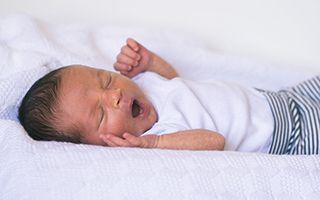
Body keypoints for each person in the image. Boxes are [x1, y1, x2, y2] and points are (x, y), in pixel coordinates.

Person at [18, 38, 320, 154]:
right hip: (289, 135)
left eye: (107, 80)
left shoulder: (145, 88)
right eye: (100, 114)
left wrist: (149, 63)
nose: (115, 96)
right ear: (103, 145)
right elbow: (214, 141)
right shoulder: (161, 136)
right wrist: (153, 143)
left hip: (279, 98)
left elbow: (177, 83)